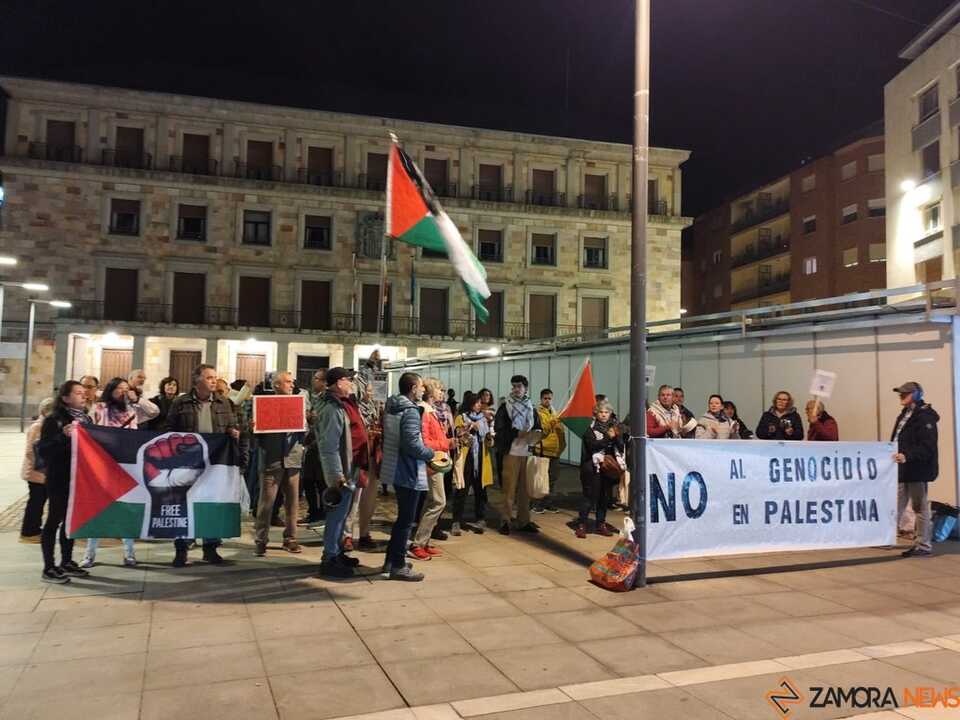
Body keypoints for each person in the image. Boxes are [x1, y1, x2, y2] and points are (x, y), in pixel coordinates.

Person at [166, 363, 241, 567]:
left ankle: (210, 548)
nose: (214, 381)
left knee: (211, 504)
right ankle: (182, 549)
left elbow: (232, 426)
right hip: (187, 463)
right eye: (209, 377)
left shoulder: (223, 403)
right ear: (197, 380)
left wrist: (234, 432)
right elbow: (169, 430)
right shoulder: (181, 403)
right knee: (184, 505)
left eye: (215, 377)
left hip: (215, 464)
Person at [81, 376, 159, 567]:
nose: (123, 392)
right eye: (120, 389)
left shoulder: (133, 410)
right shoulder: (100, 408)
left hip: (127, 465)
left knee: (127, 508)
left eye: (126, 388)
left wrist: (136, 399)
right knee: (98, 509)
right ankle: (90, 553)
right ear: (111, 390)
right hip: (104, 464)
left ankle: (129, 553)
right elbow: (89, 428)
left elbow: (154, 411)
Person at [380, 372, 435, 581]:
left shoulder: (393, 406)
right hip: (409, 471)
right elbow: (412, 444)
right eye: (421, 386)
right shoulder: (411, 411)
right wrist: (430, 453)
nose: (423, 390)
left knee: (402, 519)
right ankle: (399, 566)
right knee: (406, 521)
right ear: (413, 388)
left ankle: (391, 560)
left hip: (395, 467)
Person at [35, 381, 92, 583]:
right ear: (66, 398)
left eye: (84, 393)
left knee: (71, 521)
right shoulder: (55, 420)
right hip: (60, 477)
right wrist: (63, 436)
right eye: (78, 393)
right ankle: (48, 566)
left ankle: (66, 561)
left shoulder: (86, 418)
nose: (83, 396)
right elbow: (43, 449)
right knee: (54, 520)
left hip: (79, 478)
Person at [316, 367, 366, 578]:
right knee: (336, 515)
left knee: (343, 514)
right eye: (348, 380)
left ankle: (337, 553)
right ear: (338, 383)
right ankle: (329, 558)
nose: (351, 383)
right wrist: (336, 475)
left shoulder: (345, 403)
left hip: (352, 466)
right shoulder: (332, 408)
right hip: (342, 471)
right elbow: (329, 446)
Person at [253, 371, 305, 556]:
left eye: (292, 382)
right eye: (288, 382)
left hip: (292, 459)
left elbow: (305, 432)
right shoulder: (265, 405)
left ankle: (290, 538)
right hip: (272, 459)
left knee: (292, 503)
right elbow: (254, 435)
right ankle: (261, 540)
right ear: (276, 385)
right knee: (266, 503)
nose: (292, 385)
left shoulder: (300, 404)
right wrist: (254, 426)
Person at [891, 381, 939, 558]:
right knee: (895, 504)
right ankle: (886, 536)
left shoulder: (925, 417)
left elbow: (927, 446)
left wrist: (907, 455)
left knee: (919, 507)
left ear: (917, 394)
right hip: (904, 467)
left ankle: (924, 545)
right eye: (901, 393)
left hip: (917, 468)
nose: (901, 396)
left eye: (906, 393)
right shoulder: (906, 413)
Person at [409, 378, 455, 560]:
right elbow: (426, 441)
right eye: (439, 389)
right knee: (438, 502)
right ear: (430, 391)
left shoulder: (431, 410)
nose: (442, 393)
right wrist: (446, 442)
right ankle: (418, 543)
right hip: (432, 461)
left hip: (436, 460)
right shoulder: (425, 411)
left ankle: (423, 541)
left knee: (432, 501)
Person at [493, 375, 541, 535]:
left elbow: (538, 425)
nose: (516, 389)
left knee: (525, 489)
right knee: (509, 488)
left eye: (519, 386)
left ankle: (524, 520)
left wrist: (537, 434)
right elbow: (499, 429)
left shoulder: (531, 406)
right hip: (511, 451)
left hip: (527, 451)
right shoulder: (505, 406)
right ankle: (505, 520)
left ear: (526, 388)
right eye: (514, 386)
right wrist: (516, 433)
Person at [576, 400, 625, 538]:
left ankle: (600, 524)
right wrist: (608, 437)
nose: (604, 415)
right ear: (596, 413)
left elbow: (621, 447)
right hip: (592, 467)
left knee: (604, 497)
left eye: (606, 412)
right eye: (601, 412)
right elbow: (593, 446)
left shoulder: (614, 427)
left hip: (607, 467)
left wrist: (616, 437)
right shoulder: (590, 428)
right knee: (589, 496)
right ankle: (582, 524)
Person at [452, 391, 492, 535]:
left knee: (481, 491)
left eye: (480, 403)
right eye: (476, 403)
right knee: (461, 490)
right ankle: (456, 520)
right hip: (466, 460)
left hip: (481, 459)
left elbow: (489, 440)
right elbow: (458, 435)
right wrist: (467, 429)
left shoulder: (484, 419)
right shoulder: (461, 417)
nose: (479, 405)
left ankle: (480, 518)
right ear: (470, 404)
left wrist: (488, 435)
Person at [353, 379, 384, 550]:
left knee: (369, 498)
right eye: (368, 390)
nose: (371, 393)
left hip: (373, 455)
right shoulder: (353, 409)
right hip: (359, 457)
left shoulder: (375, 407)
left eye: (372, 390)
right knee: (354, 498)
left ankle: (364, 532)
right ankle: (347, 535)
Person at [20, 397, 54, 543]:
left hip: (42, 473)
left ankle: (33, 528)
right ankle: (29, 532)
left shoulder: (46, 425)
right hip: (36, 472)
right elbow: (31, 451)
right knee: (36, 502)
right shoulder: (38, 426)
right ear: (46, 411)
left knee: (39, 501)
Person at [531, 388, 565, 513]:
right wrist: (552, 422)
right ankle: (537, 504)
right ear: (541, 399)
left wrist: (562, 446)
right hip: (543, 450)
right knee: (540, 478)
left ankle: (548, 502)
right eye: (545, 398)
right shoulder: (538, 413)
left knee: (552, 478)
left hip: (555, 450)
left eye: (549, 398)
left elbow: (560, 431)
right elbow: (542, 430)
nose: (547, 401)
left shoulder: (554, 413)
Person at [301, 370, 327, 525]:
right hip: (312, 445)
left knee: (321, 482)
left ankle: (322, 513)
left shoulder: (327, 401)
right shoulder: (316, 399)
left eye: (316, 379)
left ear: (324, 382)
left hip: (321, 447)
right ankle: (313, 512)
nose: (313, 381)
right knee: (308, 481)